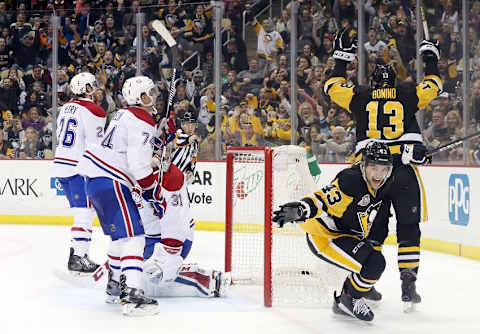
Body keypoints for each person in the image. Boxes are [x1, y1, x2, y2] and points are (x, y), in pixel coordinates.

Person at [323, 28, 442, 311]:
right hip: (401, 169)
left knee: (372, 226)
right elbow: (434, 85)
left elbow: (331, 86)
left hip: (369, 175)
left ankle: (368, 280)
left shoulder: (361, 95)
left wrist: (341, 58)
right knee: (408, 226)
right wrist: (430, 58)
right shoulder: (407, 93)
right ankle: (408, 280)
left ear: (373, 82)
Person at [273, 142, 394, 321]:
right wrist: (301, 209)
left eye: (384, 169)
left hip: (347, 235)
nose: (379, 174)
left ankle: (360, 286)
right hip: (325, 237)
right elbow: (322, 200)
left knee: (373, 264)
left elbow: (380, 221)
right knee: (374, 264)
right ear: (364, 165)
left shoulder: (384, 185)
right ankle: (348, 298)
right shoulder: (350, 180)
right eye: (374, 168)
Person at [77, 76, 160, 316]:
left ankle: (114, 287)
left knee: (119, 238)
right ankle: (132, 294)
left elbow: (129, 152)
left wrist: (151, 159)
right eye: (149, 93)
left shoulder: (124, 114)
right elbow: (138, 166)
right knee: (135, 237)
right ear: (139, 97)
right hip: (111, 180)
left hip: (94, 181)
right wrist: (152, 189)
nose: (153, 96)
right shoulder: (143, 119)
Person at [133, 139, 231, 298]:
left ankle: (202, 279)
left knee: (144, 279)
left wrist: (168, 258)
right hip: (148, 238)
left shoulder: (170, 178)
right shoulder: (133, 171)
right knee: (125, 274)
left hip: (172, 239)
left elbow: (176, 223)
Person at [53, 72, 106, 275]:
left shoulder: (65, 107)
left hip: (61, 163)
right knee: (84, 212)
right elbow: (96, 145)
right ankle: (77, 257)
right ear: (85, 89)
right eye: (92, 85)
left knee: (83, 210)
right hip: (78, 167)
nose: (95, 88)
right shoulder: (95, 110)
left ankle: (78, 255)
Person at [171, 110, 200, 181]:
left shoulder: (195, 143)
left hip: (181, 177)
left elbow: (193, 158)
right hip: (168, 175)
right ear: (182, 124)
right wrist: (193, 137)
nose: (190, 128)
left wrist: (190, 170)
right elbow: (182, 141)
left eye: (193, 124)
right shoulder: (178, 134)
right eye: (187, 124)